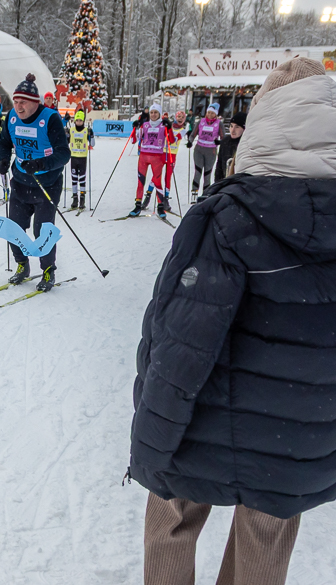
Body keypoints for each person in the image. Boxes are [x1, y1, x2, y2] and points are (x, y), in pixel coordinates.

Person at [128, 57, 336, 585]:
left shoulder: (229, 214)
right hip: (298, 436)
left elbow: (177, 342)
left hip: (208, 422)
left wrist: (151, 443)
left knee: (171, 513)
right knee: (267, 530)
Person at [0, 74, 71, 292]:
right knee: (14, 229)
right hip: (20, 182)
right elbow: (3, 142)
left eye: (23, 103)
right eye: (16, 102)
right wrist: (3, 158)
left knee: (42, 232)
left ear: (35, 102)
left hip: (46, 185)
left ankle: (48, 270)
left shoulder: (50, 118)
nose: (18, 107)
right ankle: (22, 265)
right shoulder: (11, 117)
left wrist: (40, 164)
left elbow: (64, 154)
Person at [128, 103, 173, 218]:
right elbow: (134, 139)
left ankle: (160, 207)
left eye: (156, 113)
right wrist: (135, 127)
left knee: (157, 182)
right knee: (140, 182)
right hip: (143, 156)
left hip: (157, 157)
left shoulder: (163, 126)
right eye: (152, 112)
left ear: (159, 114)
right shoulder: (145, 125)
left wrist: (170, 127)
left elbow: (171, 140)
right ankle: (138, 205)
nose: (153, 115)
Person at [186, 102, 222, 199]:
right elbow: (193, 134)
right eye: (208, 113)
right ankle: (194, 193)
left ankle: (206, 194)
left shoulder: (219, 123)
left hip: (211, 151)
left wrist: (219, 142)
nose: (210, 115)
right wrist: (190, 141)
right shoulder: (201, 122)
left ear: (216, 114)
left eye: (212, 113)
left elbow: (223, 137)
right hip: (199, 149)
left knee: (207, 173)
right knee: (197, 171)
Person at [67, 109, 93, 210]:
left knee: (82, 178)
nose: (78, 122)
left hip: (82, 157)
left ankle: (82, 198)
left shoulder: (86, 131)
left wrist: (92, 135)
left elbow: (93, 144)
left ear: (83, 121)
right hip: (73, 157)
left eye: (80, 120)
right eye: (77, 120)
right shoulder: (72, 130)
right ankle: (75, 198)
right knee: (74, 178)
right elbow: (66, 142)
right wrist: (66, 135)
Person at [214, 111, 245, 183]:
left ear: (244, 129)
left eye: (237, 127)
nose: (233, 130)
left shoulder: (246, 143)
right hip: (225, 183)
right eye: (231, 126)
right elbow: (219, 166)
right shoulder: (225, 142)